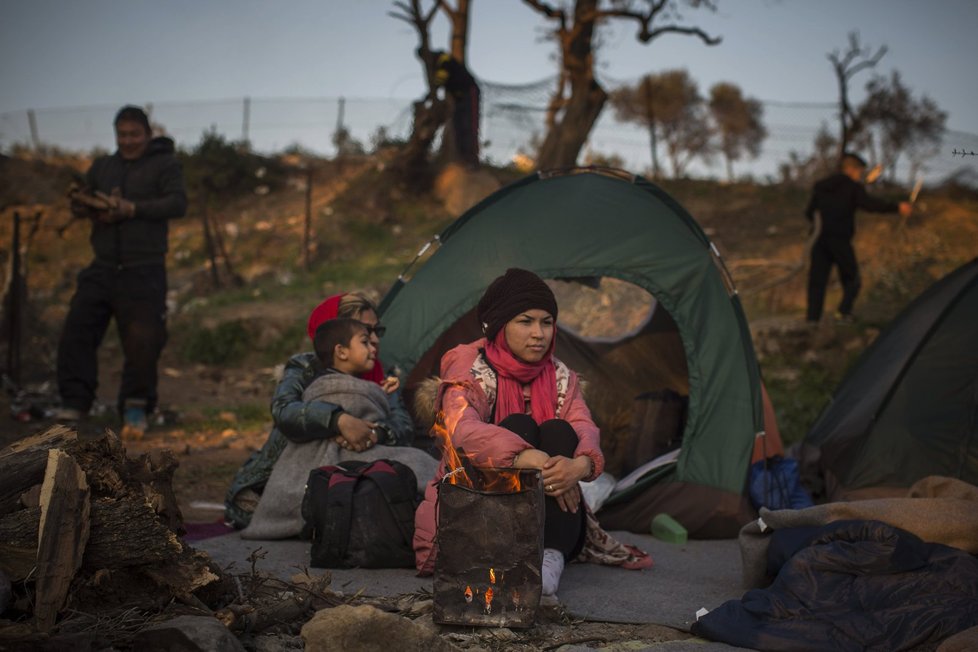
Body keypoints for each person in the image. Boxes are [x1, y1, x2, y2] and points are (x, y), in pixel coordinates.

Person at [413, 268, 651, 596]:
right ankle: (512, 553)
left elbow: (584, 425)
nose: (539, 333)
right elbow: (463, 431)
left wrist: (578, 467)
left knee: (559, 429)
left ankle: (549, 557)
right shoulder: (471, 366)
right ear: (498, 325)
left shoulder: (558, 374)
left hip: (547, 512)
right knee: (518, 426)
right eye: (525, 321)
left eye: (547, 322)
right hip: (477, 513)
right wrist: (532, 458)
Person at [224, 292, 418, 529]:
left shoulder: (384, 375)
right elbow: (284, 410)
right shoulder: (305, 367)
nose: (376, 340)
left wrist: (372, 434)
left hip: (362, 464)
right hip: (291, 470)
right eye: (366, 333)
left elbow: (403, 426)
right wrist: (339, 421)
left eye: (378, 331)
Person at [55, 105, 187, 438]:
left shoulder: (165, 164)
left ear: (147, 133)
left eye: (134, 134)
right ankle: (74, 403)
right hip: (102, 266)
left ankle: (135, 406)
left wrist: (132, 209)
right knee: (77, 329)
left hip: (144, 268)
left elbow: (177, 203)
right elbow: (80, 200)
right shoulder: (103, 166)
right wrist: (85, 204)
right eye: (122, 135)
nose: (127, 141)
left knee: (142, 340)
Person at [805, 152, 912, 323]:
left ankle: (812, 320)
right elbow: (870, 204)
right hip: (840, 240)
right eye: (860, 171)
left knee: (817, 282)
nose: (860, 175)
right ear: (852, 169)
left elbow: (809, 213)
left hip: (819, 240)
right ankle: (843, 313)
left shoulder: (821, 187)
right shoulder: (853, 187)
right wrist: (897, 207)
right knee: (852, 279)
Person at [432, 50, 481, 167]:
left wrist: (432, 91)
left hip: (469, 92)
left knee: (470, 125)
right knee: (458, 127)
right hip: (458, 98)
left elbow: (442, 76)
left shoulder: (443, 59)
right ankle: (462, 159)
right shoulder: (439, 63)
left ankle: (472, 159)